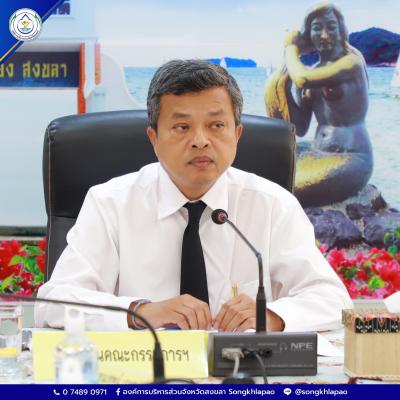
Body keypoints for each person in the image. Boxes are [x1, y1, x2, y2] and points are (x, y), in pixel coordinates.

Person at [36, 59, 352, 332]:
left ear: (237, 134)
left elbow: (332, 299)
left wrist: (271, 316)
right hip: (142, 371)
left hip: (243, 373)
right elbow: (54, 303)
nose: (200, 140)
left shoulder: (272, 205)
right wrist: (141, 312)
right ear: (154, 138)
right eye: (182, 127)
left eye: (216, 125)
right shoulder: (110, 203)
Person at [264, 2, 373, 207]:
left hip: (352, 157)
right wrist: (279, 83)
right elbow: (300, 127)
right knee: (262, 167)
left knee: (283, 187)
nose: (324, 35)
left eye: (331, 27)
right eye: (317, 29)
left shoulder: (351, 63)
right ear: (309, 35)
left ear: (341, 30)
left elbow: (302, 78)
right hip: (317, 152)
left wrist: (291, 48)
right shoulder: (313, 71)